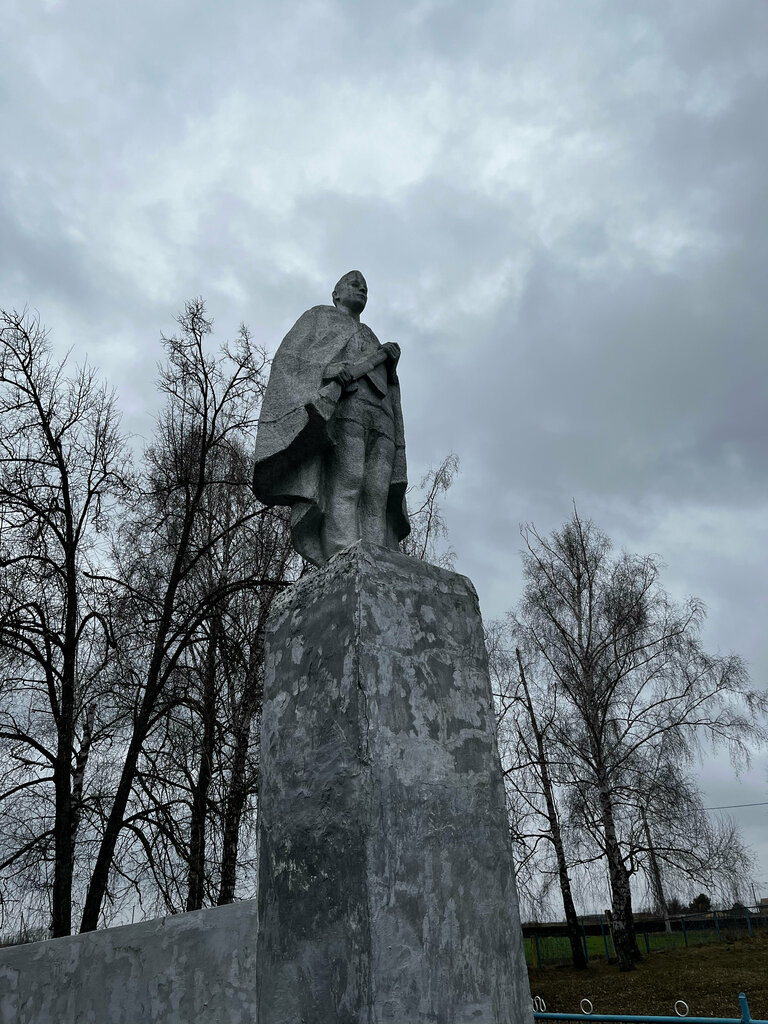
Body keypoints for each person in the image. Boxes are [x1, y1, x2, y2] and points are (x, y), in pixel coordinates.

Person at [253, 270, 409, 566]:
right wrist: (327, 371)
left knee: (377, 492)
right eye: (354, 284)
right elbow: (290, 361)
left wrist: (389, 365)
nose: (362, 288)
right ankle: (343, 555)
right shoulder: (319, 318)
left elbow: (385, 383)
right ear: (335, 293)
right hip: (347, 411)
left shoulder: (371, 335)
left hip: (382, 417)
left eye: (365, 287)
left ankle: (379, 557)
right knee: (349, 482)